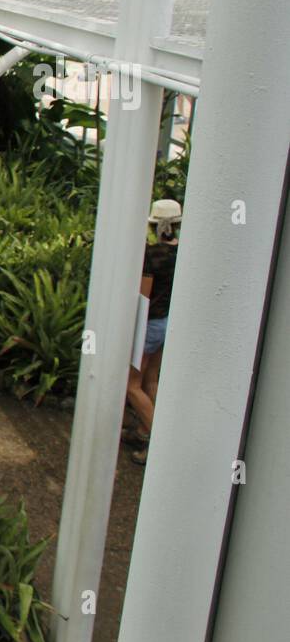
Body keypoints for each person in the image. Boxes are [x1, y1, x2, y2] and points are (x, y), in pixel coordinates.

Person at [123, 199, 181, 464]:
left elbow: (143, 297)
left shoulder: (152, 255)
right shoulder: (184, 252)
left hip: (151, 324)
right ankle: (145, 429)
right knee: (151, 380)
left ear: (154, 225)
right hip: (170, 323)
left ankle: (158, 445)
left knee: (131, 386)